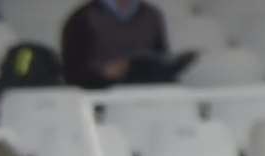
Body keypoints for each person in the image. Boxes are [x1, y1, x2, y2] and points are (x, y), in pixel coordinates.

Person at [61, 0, 194, 90]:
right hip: (104, 98)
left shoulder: (151, 15)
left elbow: (160, 55)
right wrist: (103, 72)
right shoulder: (82, 18)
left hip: (149, 92)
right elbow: (72, 73)